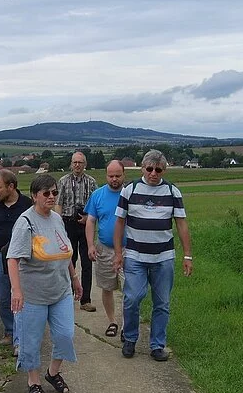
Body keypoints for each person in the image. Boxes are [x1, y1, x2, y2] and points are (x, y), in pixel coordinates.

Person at [7, 174, 83, 393]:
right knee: (31, 340)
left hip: (60, 290)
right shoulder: (26, 222)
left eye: (54, 193)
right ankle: (34, 381)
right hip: (33, 295)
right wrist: (17, 291)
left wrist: (75, 278)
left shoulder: (57, 218)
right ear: (34, 196)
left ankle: (52, 372)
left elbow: (64, 250)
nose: (51, 197)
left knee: (65, 335)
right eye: (46, 193)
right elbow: (12, 259)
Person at [113, 150, 194, 362]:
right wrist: (118, 254)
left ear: (164, 170)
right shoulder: (129, 190)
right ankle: (130, 338)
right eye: (149, 169)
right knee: (132, 298)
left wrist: (187, 256)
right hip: (136, 257)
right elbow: (120, 222)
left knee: (162, 303)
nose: (153, 173)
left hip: (163, 258)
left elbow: (181, 224)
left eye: (158, 169)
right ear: (142, 168)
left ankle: (157, 345)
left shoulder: (172, 192)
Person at [0, 169, 32, 354]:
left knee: (20, 296)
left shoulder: (27, 204)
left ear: (11, 187)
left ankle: (20, 337)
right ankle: (10, 330)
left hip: (22, 259)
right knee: (3, 298)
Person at [84, 160, 126, 338]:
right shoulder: (97, 195)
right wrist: (91, 245)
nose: (114, 179)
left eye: (118, 176)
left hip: (128, 248)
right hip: (104, 247)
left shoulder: (130, 194)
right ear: (106, 176)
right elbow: (91, 221)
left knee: (129, 289)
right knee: (107, 287)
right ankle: (112, 321)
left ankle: (126, 325)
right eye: (111, 176)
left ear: (124, 175)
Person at [55, 151, 98, 312]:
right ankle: (67, 296)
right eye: (75, 162)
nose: (77, 165)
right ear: (71, 164)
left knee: (87, 263)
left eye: (80, 162)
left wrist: (89, 218)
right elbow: (58, 204)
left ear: (85, 164)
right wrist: (57, 225)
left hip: (86, 224)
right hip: (68, 224)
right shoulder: (63, 181)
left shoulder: (92, 182)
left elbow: (96, 204)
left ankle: (85, 300)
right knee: (68, 261)